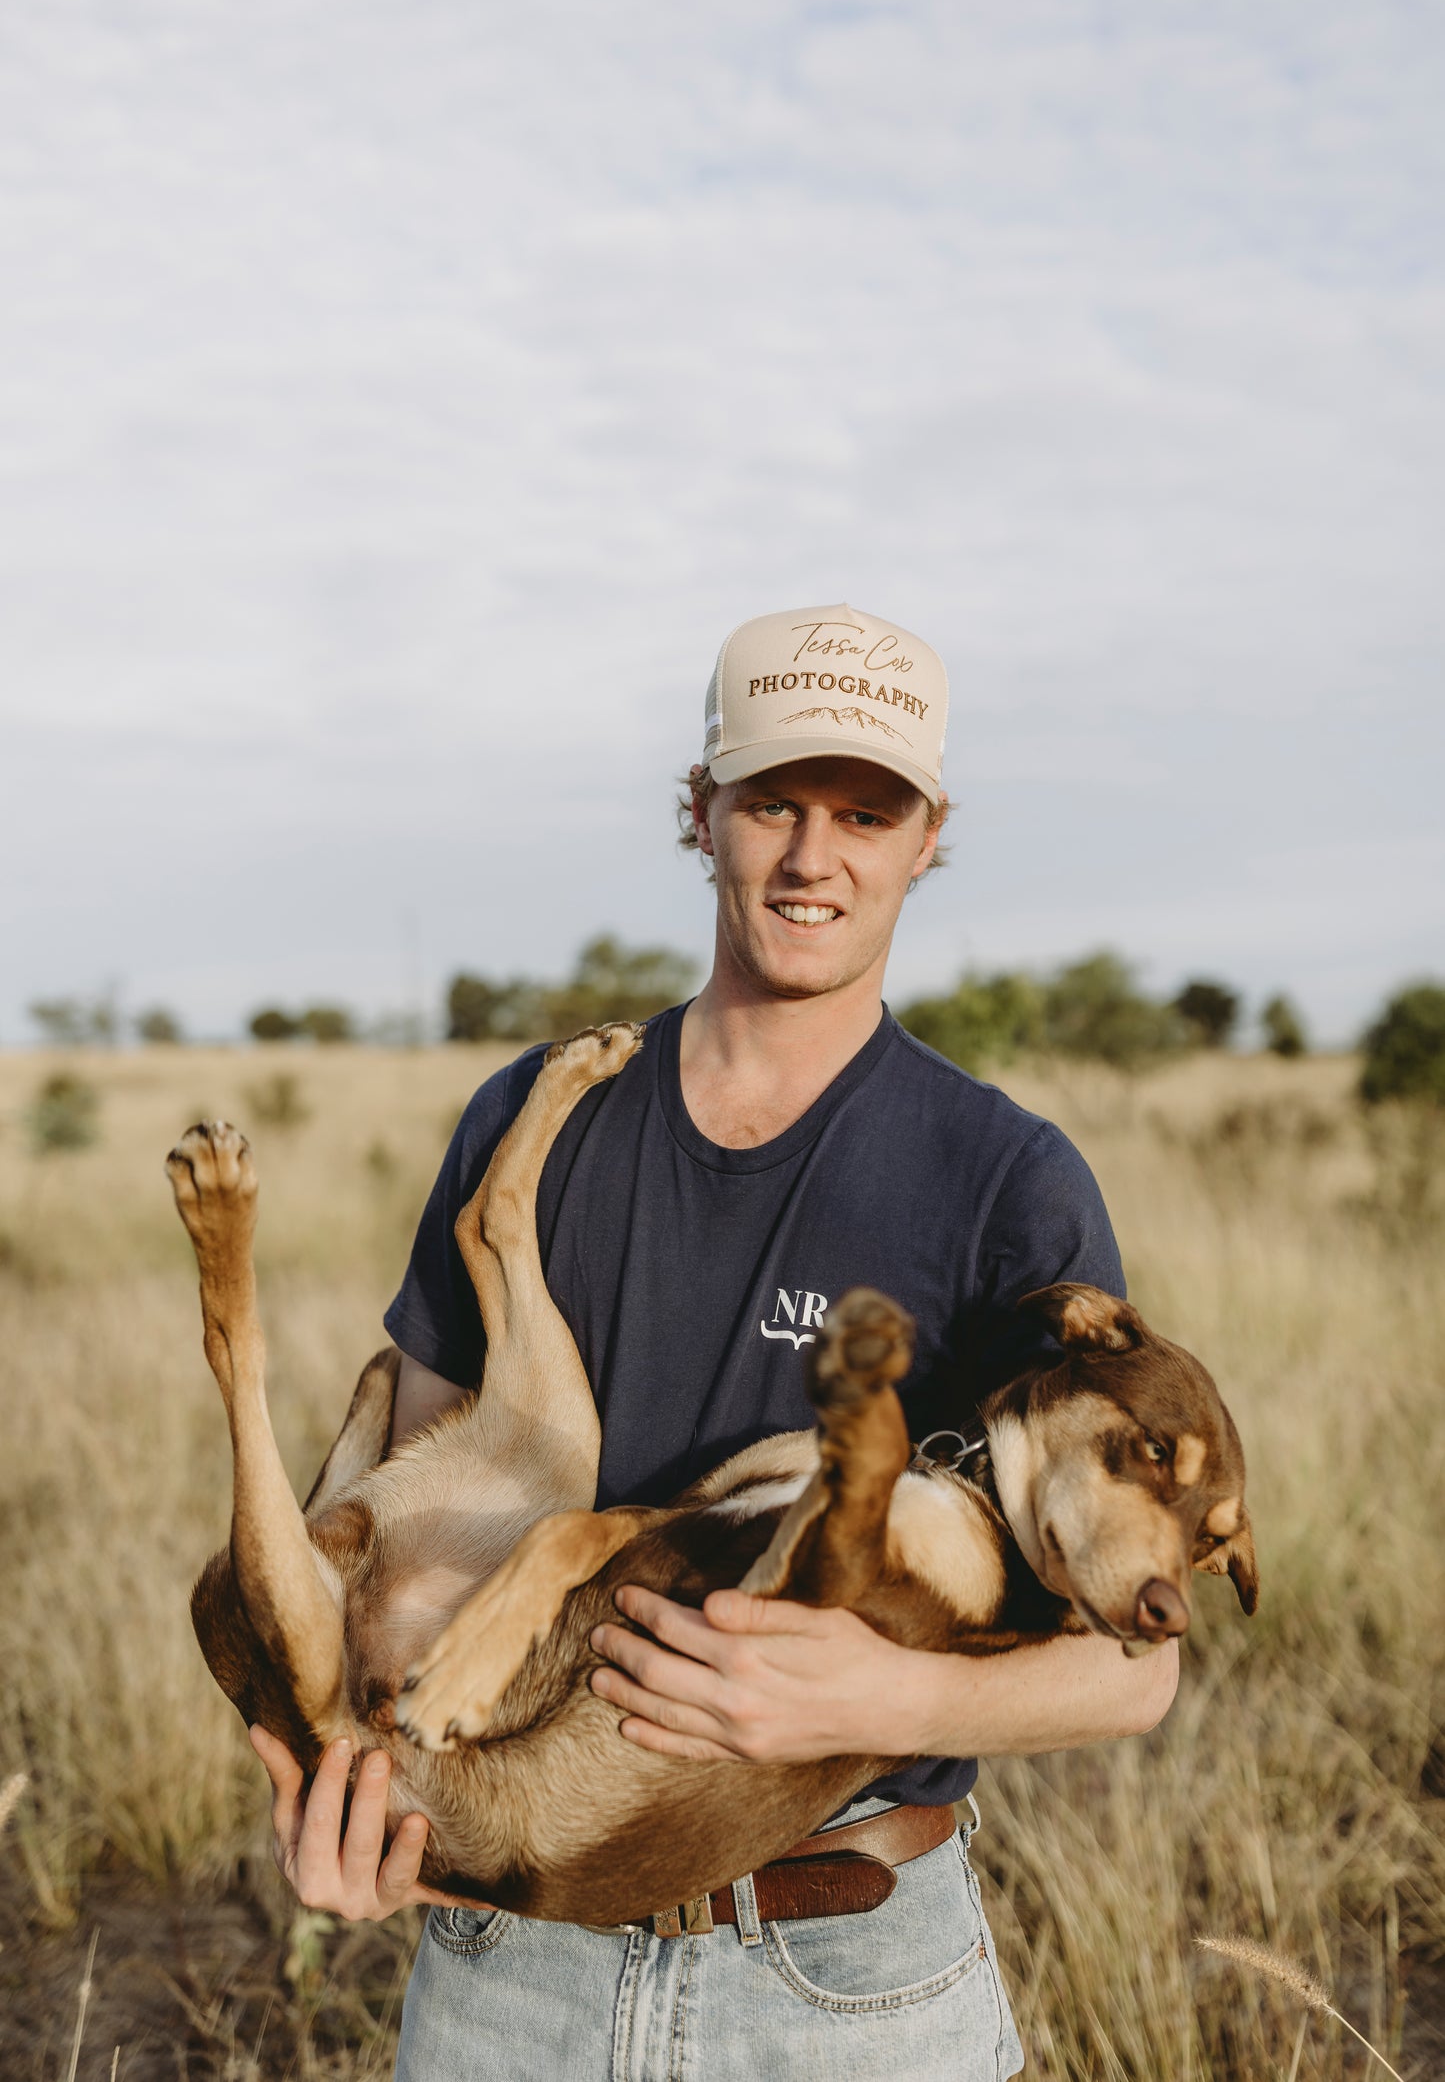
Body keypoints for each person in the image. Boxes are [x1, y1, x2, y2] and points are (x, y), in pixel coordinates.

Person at [251, 604, 1178, 2079]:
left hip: (846, 1977)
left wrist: (896, 1696)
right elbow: (388, 1539)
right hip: (510, 1964)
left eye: (865, 812)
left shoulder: (1007, 1183)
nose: (815, 858)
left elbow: (1131, 1674)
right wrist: (321, 1779)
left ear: (927, 835)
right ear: (701, 814)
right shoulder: (532, 1116)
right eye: (772, 804)